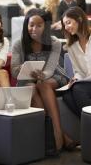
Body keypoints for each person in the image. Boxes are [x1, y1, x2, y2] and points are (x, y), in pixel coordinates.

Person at [11, 8, 72, 151]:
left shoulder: (54, 42)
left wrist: (41, 76)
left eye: (39, 25)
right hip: (27, 81)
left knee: (42, 85)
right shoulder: (19, 44)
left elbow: (50, 69)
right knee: (32, 89)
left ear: (46, 27)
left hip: (51, 77)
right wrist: (23, 68)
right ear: (26, 25)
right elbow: (13, 71)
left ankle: (56, 136)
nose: (34, 29)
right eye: (31, 25)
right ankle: (61, 136)